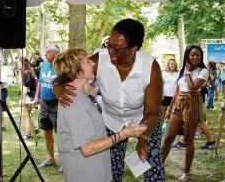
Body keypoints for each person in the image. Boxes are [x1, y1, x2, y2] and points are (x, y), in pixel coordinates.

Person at [54, 19, 165, 181]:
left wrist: (144, 138)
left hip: (144, 120)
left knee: (153, 168)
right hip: (111, 120)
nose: (110, 51)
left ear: (133, 49)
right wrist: (59, 90)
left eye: (116, 48)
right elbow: (68, 72)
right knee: (109, 168)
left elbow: (152, 111)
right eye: (109, 45)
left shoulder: (150, 67)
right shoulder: (100, 59)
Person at [53, 48, 147, 182]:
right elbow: (87, 148)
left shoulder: (80, 95)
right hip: (85, 175)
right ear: (76, 70)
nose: (92, 64)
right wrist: (124, 134)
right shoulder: (73, 101)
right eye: (87, 61)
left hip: (95, 171)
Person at [162, 45, 209, 182]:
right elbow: (177, 91)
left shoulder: (203, 71)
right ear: (187, 56)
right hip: (178, 103)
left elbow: (193, 88)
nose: (195, 57)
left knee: (188, 140)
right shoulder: (182, 70)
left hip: (192, 102)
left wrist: (188, 73)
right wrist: (170, 109)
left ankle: (187, 172)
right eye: (192, 54)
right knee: (168, 137)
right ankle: (159, 165)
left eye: (198, 55)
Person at [34, 44, 60, 168]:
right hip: (44, 103)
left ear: (56, 53)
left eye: (48, 52)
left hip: (58, 104)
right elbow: (40, 82)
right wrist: (36, 97)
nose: (45, 55)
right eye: (45, 52)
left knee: (61, 134)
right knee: (46, 131)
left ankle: (66, 161)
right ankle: (51, 159)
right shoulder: (44, 65)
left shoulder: (62, 66)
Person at [19, 57, 38, 139]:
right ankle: (36, 127)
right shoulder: (27, 72)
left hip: (29, 96)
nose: (17, 64)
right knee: (25, 115)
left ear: (23, 63)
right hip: (30, 95)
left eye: (19, 62)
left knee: (26, 115)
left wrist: (23, 99)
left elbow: (26, 87)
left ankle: (28, 134)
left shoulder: (27, 73)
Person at [162, 59, 179, 124]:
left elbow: (179, 84)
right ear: (168, 65)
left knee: (172, 110)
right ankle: (162, 125)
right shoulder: (164, 73)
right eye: (172, 64)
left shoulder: (177, 73)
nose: (173, 65)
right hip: (165, 94)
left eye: (174, 64)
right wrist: (161, 94)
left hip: (174, 95)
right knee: (163, 109)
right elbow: (162, 83)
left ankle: (169, 124)